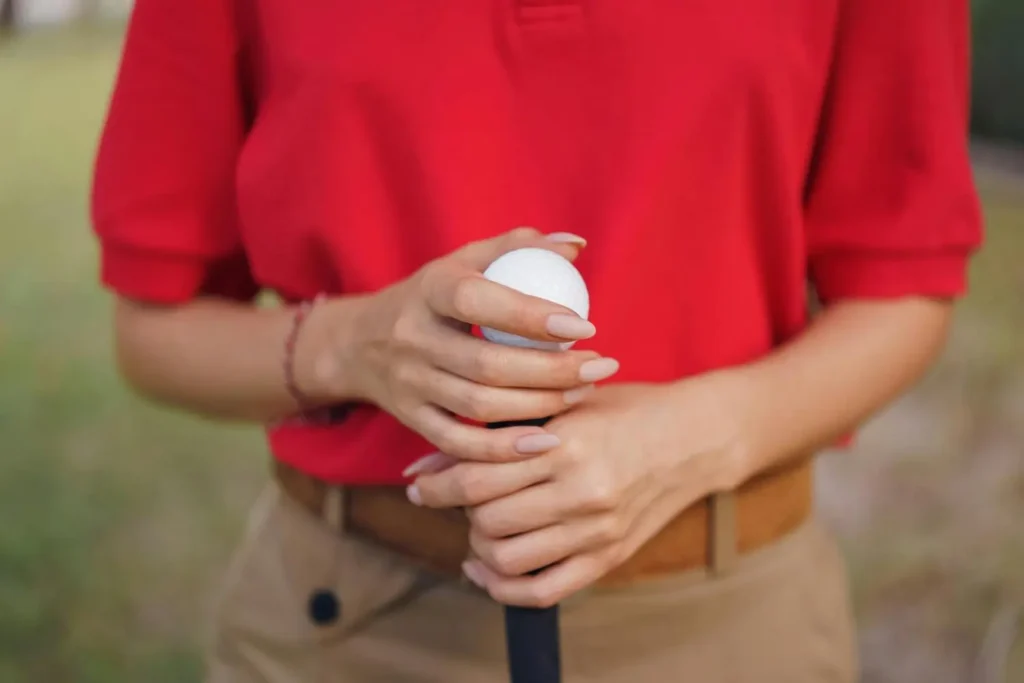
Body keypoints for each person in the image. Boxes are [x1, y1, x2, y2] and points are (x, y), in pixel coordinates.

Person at [91, 0, 983, 681]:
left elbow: (904, 286)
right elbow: (154, 331)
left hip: (727, 624)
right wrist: (352, 342)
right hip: (350, 627)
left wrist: (681, 440)